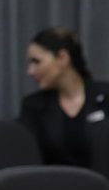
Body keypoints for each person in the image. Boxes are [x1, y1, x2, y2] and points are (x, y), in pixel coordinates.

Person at [20, 27, 109, 167]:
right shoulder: (33, 105)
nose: (30, 71)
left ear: (62, 58)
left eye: (36, 62)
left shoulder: (105, 96)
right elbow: (30, 160)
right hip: (54, 185)